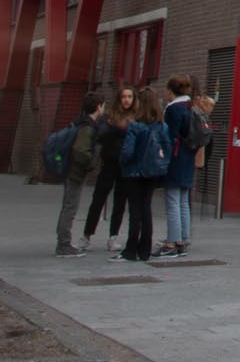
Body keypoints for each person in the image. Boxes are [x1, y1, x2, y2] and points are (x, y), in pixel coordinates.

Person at [113, 88, 167, 262]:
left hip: (134, 172)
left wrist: (122, 162)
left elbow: (127, 151)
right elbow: (167, 148)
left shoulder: (135, 126)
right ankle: (145, 250)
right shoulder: (161, 126)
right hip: (152, 172)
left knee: (135, 210)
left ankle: (130, 249)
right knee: (146, 208)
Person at [83, 86, 135, 251]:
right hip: (109, 163)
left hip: (125, 165)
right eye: (124, 97)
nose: (126, 100)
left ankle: (113, 237)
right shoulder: (109, 117)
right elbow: (101, 135)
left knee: (120, 202)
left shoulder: (135, 118)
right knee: (98, 199)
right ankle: (87, 235)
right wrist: (116, 127)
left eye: (130, 97)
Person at [54, 93, 104, 256]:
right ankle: (64, 244)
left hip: (71, 171)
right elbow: (80, 151)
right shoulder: (88, 127)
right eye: (103, 106)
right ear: (98, 107)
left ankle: (63, 241)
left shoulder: (80, 123)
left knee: (67, 206)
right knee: (70, 207)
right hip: (76, 172)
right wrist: (91, 163)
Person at [157, 75, 199, 260]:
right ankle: (183, 239)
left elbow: (169, 136)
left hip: (175, 158)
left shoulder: (173, 109)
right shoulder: (191, 108)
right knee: (183, 201)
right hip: (188, 158)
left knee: (172, 202)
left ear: (170, 90)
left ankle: (171, 242)